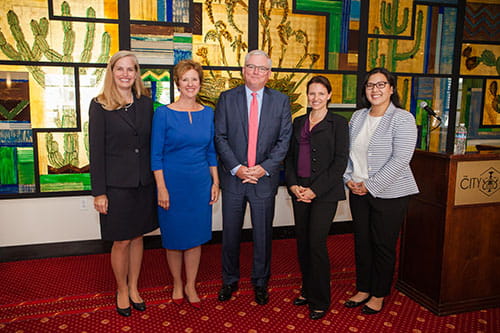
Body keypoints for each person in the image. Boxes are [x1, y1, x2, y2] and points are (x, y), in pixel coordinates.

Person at [214, 49, 292, 305]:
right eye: (251, 67)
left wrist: (263, 168)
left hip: (264, 179)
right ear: (243, 70)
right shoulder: (227, 98)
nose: (256, 72)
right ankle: (229, 280)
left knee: (262, 235)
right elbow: (220, 137)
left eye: (261, 68)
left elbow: (284, 140)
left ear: (269, 74)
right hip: (234, 178)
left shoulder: (281, 101)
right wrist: (237, 168)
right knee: (231, 234)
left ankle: (260, 282)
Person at [343, 67, 419, 314]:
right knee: (362, 243)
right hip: (357, 191)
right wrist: (348, 179)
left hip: (390, 194)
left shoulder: (403, 118)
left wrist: (371, 185)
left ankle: (379, 293)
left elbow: (400, 159)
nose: (375, 89)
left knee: (383, 245)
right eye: (370, 85)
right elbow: (348, 153)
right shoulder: (357, 117)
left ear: (391, 89)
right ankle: (364, 288)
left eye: (381, 84)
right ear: (365, 90)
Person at [89, 50, 158, 317]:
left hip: (143, 183)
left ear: (136, 73)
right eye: (120, 69)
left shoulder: (145, 103)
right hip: (116, 186)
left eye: (131, 69)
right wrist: (99, 193)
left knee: (138, 236)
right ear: (112, 72)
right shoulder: (100, 104)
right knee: (121, 241)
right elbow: (95, 151)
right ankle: (120, 289)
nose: (126, 74)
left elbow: (152, 143)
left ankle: (134, 287)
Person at [151, 59, 219, 309]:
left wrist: (216, 182)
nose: (190, 84)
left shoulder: (208, 113)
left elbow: (211, 151)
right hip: (172, 184)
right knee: (174, 237)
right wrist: (161, 187)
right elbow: (155, 155)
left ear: (200, 83)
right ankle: (176, 283)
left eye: (195, 79)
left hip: (200, 184)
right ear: (178, 83)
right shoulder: (163, 113)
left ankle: (190, 284)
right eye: (185, 79)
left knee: (195, 237)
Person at [284, 76, 349, 320]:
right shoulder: (298, 121)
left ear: (329, 95)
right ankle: (307, 289)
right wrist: (292, 185)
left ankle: (320, 298)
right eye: (312, 93)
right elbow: (289, 158)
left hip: (325, 193)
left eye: (321, 93)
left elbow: (340, 162)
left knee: (316, 244)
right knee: (302, 243)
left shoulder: (339, 124)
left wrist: (315, 190)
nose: (316, 98)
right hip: (299, 190)